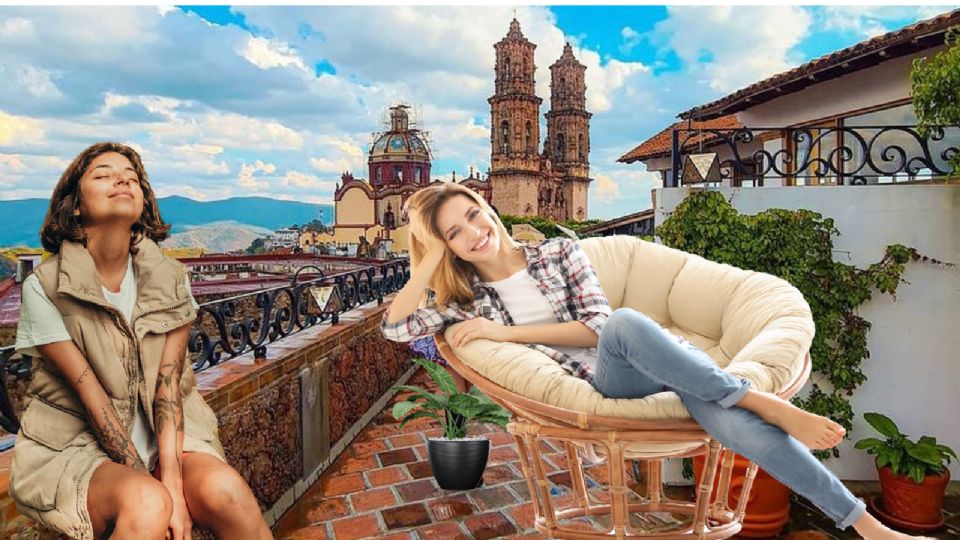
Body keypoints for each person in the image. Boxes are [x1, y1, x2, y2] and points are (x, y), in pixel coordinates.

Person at [380, 182, 932, 540]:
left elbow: (594, 324)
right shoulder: (468, 302)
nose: (474, 233)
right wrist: (427, 262)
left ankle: (869, 529)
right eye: (454, 233)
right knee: (628, 326)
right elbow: (396, 327)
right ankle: (757, 397)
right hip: (605, 380)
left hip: (650, 363)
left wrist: (508, 331)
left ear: (488, 208)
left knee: (722, 416)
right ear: (447, 247)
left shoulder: (558, 251)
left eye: (473, 216)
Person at [11, 143, 272, 540]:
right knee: (148, 504)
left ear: (143, 202)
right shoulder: (46, 287)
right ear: (75, 206)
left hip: (164, 439)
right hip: (76, 447)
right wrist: (159, 494)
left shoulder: (171, 279)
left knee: (229, 492)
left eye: (131, 177)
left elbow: (168, 386)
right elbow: (92, 399)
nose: (122, 179)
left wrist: (172, 481)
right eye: (103, 174)